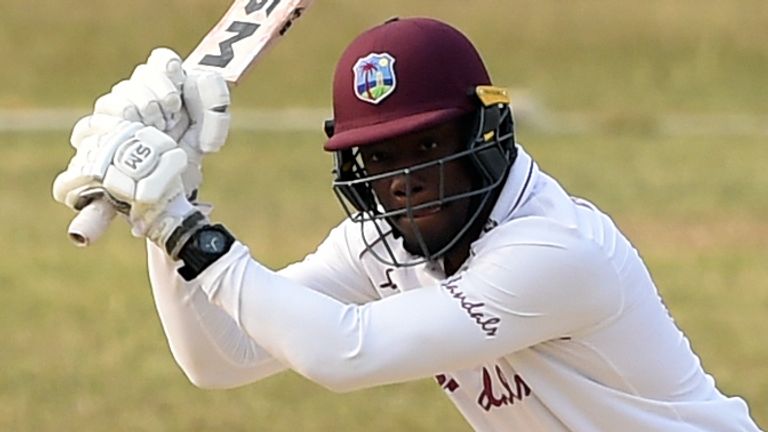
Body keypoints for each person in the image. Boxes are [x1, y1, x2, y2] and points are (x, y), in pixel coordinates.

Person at [52, 17, 762, 431]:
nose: (404, 182)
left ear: (484, 135)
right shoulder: (384, 243)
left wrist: (179, 224)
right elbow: (221, 358)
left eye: (428, 147)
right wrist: (170, 206)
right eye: (380, 158)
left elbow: (343, 352)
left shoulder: (557, 252)